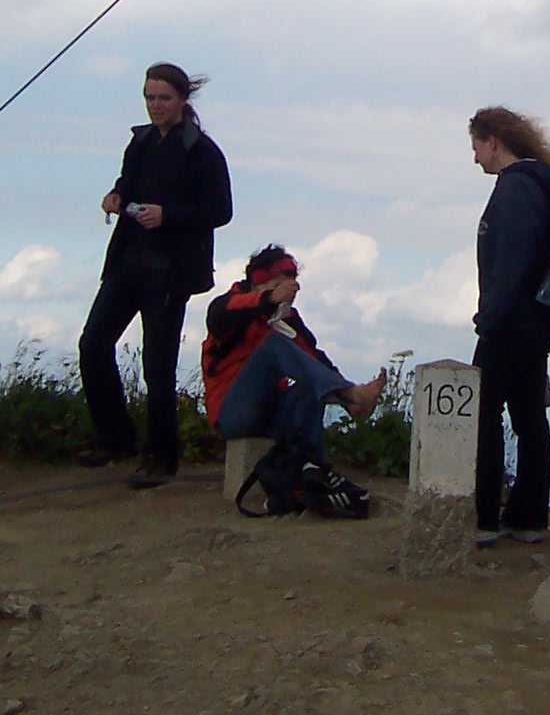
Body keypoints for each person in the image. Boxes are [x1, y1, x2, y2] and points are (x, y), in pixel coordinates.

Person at [77, 63, 232, 489]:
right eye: (149, 97)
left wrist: (168, 216)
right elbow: (127, 183)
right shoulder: (141, 142)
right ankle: (115, 440)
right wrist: (116, 197)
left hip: (169, 274)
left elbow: (220, 211)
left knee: (157, 367)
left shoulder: (202, 151)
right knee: (93, 345)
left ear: (182, 99)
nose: (155, 105)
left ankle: (161, 459)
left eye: (163, 98)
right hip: (127, 263)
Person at [200, 244, 384, 517]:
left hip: (272, 413)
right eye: (279, 283)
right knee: (273, 347)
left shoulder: (287, 320)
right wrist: (268, 299)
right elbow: (218, 316)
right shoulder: (231, 305)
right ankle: (352, 396)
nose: (290, 290)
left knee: (309, 387)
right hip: (232, 412)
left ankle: (311, 472)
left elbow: (314, 360)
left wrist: (345, 399)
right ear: (260, 283)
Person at [469, 105, 550, 547]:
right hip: (539, 318)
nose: (475, 157)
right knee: (530, 415)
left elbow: (512, 260)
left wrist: (489, 319)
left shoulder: (515, 188)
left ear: (493, 141)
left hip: (512, 320)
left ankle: (484, 517)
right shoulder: (543, 185)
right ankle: (528, 518)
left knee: (483, 410)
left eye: (476, 146)